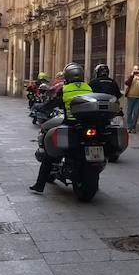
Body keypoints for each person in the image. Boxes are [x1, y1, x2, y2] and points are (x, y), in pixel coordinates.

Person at [29, 62, 92, 194]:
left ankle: (40, 185)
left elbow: (53, 102)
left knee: (50, 153)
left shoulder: (65, 89)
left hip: (71, 124)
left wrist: (40, 107)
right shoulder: (89, 87)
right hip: (88, 125)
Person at [124, 65, 139, 133]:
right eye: (134, 69)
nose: (136, 71)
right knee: (129, 112)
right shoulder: (131, 76)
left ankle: (133, 127)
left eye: (137, 69)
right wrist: (131, 75)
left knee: (136, 113)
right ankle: (129, 127)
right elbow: (127, 83)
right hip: (130, 96)